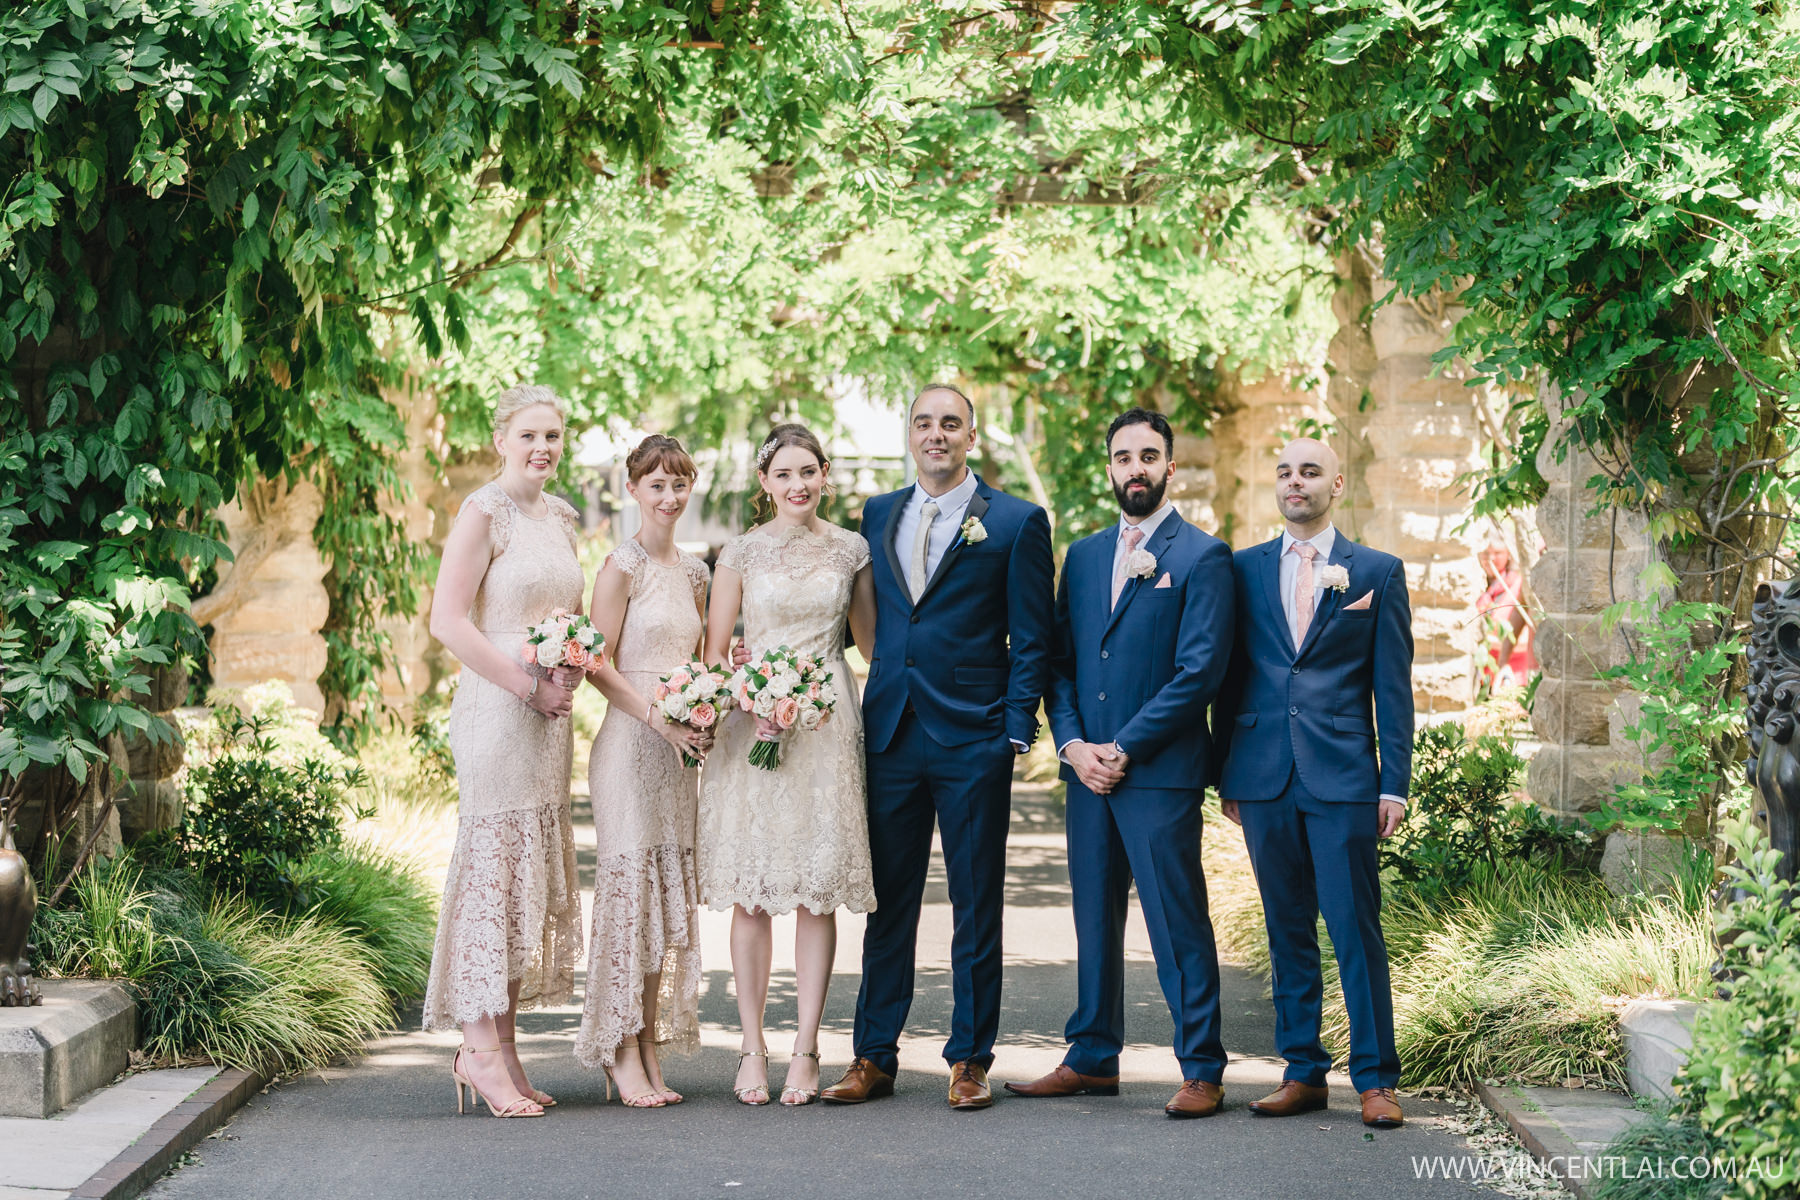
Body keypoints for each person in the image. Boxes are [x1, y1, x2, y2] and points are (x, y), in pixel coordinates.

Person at [823, 384, 1054, 1112]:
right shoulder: (879, 513)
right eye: (924, 422)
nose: (936, 434)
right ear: (910, 433)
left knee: (976, 902)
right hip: (891, 731)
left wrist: (1015, 728)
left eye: (950, 423)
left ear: (971, 437)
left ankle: (969, 1059)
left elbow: (1033, 637)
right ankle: (873, 1055)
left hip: (974, 737)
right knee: (886, 904)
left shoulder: (1016, 522)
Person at [1004, 408, 1235, 1118]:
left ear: (1170, 466)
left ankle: (1202, 1067)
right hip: (1089, 772)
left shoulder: (1202, 556)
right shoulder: (1083, 555)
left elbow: (1199, 673)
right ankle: (1093, 1057)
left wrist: (1124, 747)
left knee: (1176, 920)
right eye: (1122, 456)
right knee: (1093, 919)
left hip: (1157, 772)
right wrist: (1073, 746)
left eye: (1148, 455)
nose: (1134, 467)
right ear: (1108, 467)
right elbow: (1060, 662)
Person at [1213, 436, 1415, 1130]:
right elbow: (1226, 676)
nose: (1294, 483)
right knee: (1286, 928)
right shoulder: (1241, 571)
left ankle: (1376, 1080)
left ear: (1336, 482)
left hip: (1344, 779)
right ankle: (1302, 1070)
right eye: (1285, 472)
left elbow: (1393, 688)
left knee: (1356, 929)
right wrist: (1224, 772)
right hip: (1263, 776)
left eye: (1309, 472)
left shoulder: (1377, 572)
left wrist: (1395, 784)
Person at [697, 423, 878, 1107]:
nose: (798, 485)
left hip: (827, 721)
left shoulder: (850, 550)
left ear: (825, 474)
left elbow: (867, 645)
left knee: (814, 886)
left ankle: (806, 1045)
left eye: (810, 472)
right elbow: (718, 650)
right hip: (754, 723)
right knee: (752, 889)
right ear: (765, 485)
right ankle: (751, 1046)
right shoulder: (739, 552)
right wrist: (751, 696)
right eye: (785, 474)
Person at [422, 384, 586, 1119]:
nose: (542, 448)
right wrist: (526, 686)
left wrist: (570, 667)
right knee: (494, 872)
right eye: (529, 435)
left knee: (525, 880)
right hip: (499, 711)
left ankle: (505, 1049)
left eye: (552, 435)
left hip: (549, 718)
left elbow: (570, 619)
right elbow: (448, 621)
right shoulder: (482, 512)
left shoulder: (564, 518)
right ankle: (478, 1051)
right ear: (501, 439)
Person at [573, 435, 714, 1108]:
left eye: (680, 484)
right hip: (631, 745)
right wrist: (659, 719)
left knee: (662, 901)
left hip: (678, 749)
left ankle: (649, 1042)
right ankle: (619, 1047)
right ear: (633, 489)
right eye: (656, 484)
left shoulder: (695, 573)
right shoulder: (620, 567)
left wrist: (703, 714)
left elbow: (701, 662)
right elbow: (597, 664)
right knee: (630, 900)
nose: (669, 496)